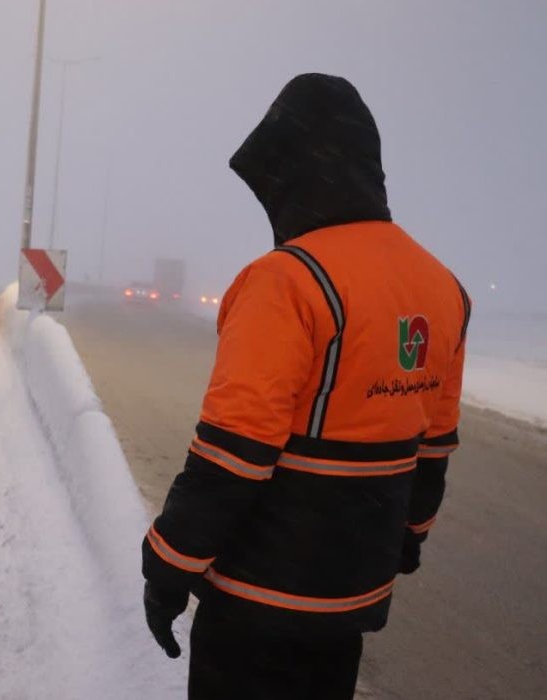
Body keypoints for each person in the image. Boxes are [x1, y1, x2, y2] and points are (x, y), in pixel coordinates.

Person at [141, 73, 471, 699]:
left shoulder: (286, 281)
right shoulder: (442, 286)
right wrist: (409, 534)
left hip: (258, 599)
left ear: (294, 173)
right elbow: (435, 444)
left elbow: (233, 453)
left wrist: (168, 565)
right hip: (351, 599)